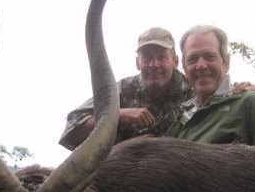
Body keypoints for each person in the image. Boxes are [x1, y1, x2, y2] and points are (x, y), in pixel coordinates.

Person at [59, 27, 193, 150]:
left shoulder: (193, 91)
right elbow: (71, 132)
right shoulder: (121, 90)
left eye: (161, 57)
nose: (154, 65)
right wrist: (117, 114)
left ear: (175, 62)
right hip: (125, 168)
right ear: (137, 63)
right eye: (147, 58)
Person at [165, 24, 255, 153]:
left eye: (209, 56)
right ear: (185, 69)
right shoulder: (181, 120)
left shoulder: (251, 104)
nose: (201, 65)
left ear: (226, 63)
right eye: (192, 59)